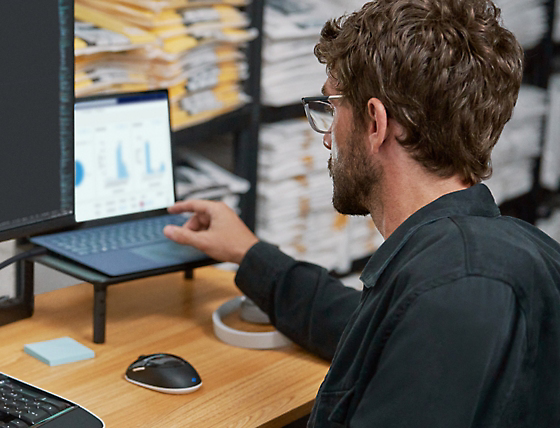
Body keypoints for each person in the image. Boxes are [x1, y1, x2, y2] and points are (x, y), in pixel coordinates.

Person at [163, 0, 560, 426]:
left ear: (375, 123)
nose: (328, 139)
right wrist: (251, 254)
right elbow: (365, 326)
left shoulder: (453, 291)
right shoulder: (485, 260)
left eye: (332, 108)